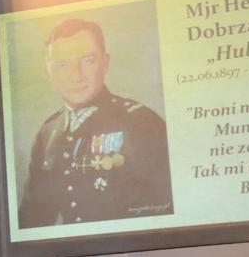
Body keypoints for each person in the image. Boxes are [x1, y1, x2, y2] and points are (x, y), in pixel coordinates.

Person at [18, 18, 173, 228]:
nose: (76, 76)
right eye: (62, 65)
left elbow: (163, 211)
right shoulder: (48, 132)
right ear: (48, 72)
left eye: (87, 60)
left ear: (105, 63)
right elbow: (32, 221)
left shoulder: (141, 122)